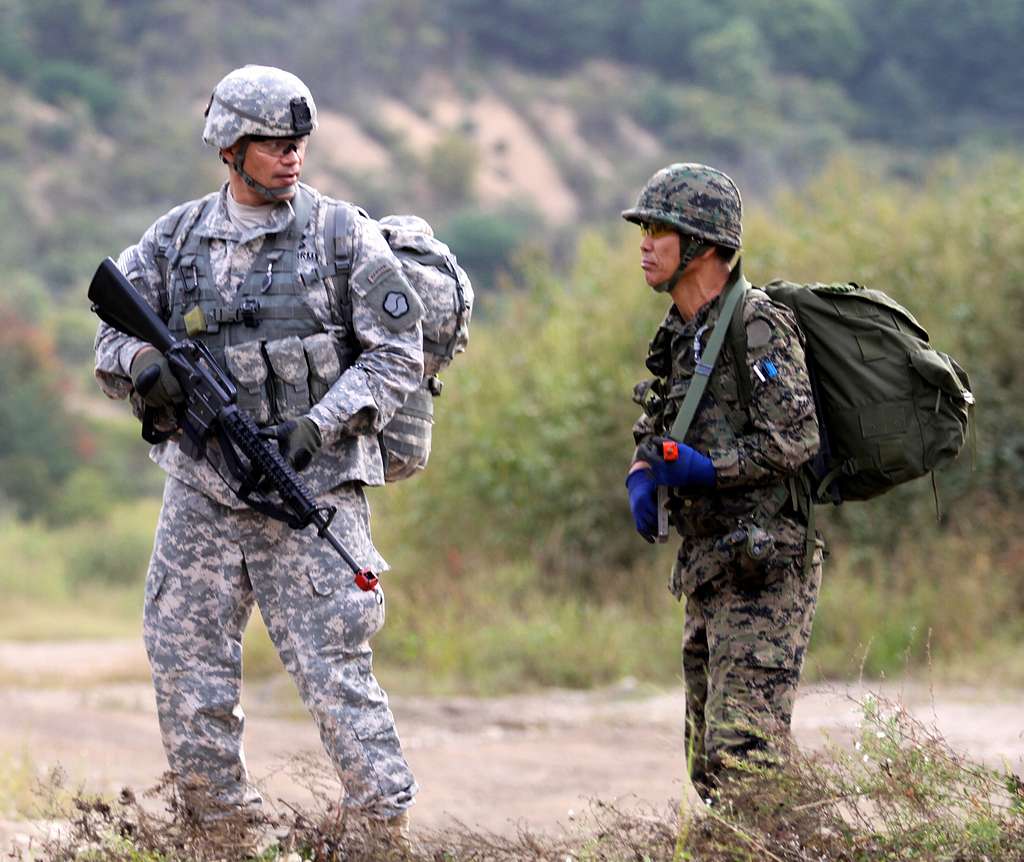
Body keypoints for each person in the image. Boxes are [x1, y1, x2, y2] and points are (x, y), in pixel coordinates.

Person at [93, 65, 421, 835]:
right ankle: (218, 829)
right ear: (230, 149)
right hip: (203, 491)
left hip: (312, 491)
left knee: (335, 668)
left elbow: (397, 354)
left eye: (299, 143)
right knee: (184, 662)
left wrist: (324, 421)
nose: (291, 157)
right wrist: (144, 367)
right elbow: (111, 331)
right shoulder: (175, 241)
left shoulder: (342, 236)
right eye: (273, 143)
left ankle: (380, 830)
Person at [622, 163, 822, 799]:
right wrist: (644, 473)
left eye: (659, 229)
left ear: (703, 247)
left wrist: (710, 470)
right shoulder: (682, 333)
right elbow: (658, 426)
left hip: (765, 568)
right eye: (644, 228)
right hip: (710, 565)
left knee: (746, 758)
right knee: (708, 766)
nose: (645, 243)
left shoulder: (755, 326)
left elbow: (797, 436)